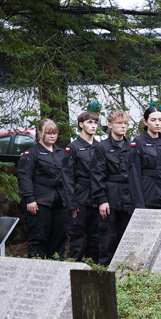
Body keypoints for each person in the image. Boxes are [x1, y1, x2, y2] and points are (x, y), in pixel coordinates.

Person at [91, 110, 145, 265]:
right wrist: (101, 199)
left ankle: (127, 272)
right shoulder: (102, 147)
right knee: (108, 237)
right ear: (110, 124)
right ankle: (105, 270)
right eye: (119, 123)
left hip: (129, 196)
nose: (123, 126)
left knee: (128, 236)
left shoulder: (132, 146)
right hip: (111, 196)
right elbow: (97, 175)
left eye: (126, 123)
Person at [17, 119, 70, 258]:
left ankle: (56, 268)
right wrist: (30, 199)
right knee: (39, 236)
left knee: (59, 236)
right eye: (49, 133)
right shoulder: (31, 154)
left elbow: (68, 176)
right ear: (40, 134)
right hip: (40, 201)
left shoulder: (62, 153)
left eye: (55, 133)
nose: (52, 136)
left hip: (60, 201)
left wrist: (70, 200)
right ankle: (36, 269)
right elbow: (24, 177)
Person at [64, 110, 102, 262]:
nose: (93, 126)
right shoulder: (72, 147)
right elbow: (67, 176)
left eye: (95, 123)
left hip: (97, 197)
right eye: (89, 122)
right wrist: (72, 202)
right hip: (80, 197)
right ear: (81, 125)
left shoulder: (100, 147)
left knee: (96, 238)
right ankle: (74, 271)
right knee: (78, 240)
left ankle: (95, 271)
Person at [133, 106, 161, 209]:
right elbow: (134, 173)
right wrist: (139, 202)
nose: (157, 123)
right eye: (153, 120)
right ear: (145, 122)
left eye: (160, 120)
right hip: (147, 191)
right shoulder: (138, 142)